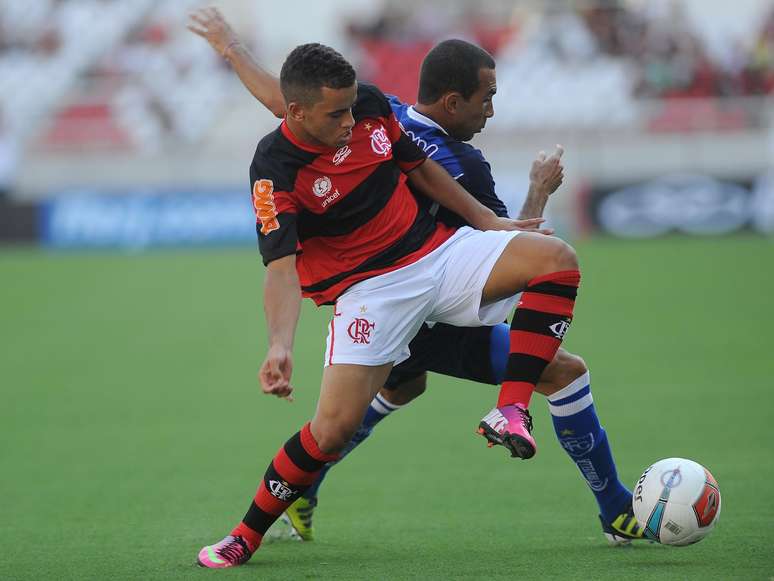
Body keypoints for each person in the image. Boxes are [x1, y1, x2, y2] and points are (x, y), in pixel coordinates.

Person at [189, 8, 644, 553]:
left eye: (350, 109)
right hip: (371, 295)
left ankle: (517, 413)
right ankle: (247, 533)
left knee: (555, 264)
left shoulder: (373, 109)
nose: (349, 123)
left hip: (438, 259)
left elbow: (415, 169)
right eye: (486, 99)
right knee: (336, 425)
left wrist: (491, 222)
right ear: (453, 102)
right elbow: (282, 263)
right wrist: (279, 345)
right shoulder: (282, 163)